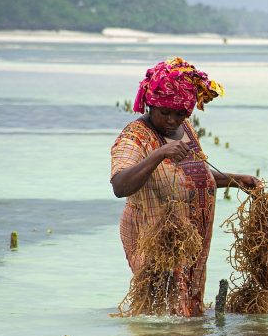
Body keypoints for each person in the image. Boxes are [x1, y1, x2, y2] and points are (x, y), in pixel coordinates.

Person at [110, 57, 259, 316]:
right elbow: (120, 185)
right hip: (155, 238)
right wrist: (159, 153)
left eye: (179, 114)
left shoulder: (186, 130)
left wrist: (235, 180)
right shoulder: (134, 137)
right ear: (150, 104)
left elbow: (191, 176)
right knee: (161, 310)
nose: (171, 120)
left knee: (187, 313)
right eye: (164, 112)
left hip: (191, 240)